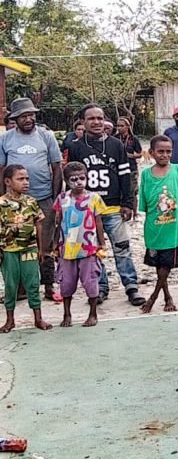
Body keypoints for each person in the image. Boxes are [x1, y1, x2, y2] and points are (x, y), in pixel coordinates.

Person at [68, 104, 142, 306]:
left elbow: (125, 175)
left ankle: (131, 286)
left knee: (122, 247)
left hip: (112, 208)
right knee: (94, 251)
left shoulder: (116, 144)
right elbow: (72, 177)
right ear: (83, 122)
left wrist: (127, 203)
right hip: (88, 210)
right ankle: (100, 287)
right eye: (91, 118)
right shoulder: (76, 147)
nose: (97, 122)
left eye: (100, 118)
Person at [0, 97, 63, 302]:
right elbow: (1, 170)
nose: (28, 119)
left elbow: (56, 167)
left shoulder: (46, 136)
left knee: (45, 245)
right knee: (16, 243)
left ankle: (47, 286)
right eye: (23, 116)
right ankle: (20, 289)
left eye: (31, 115)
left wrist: (55, 199)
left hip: (43, 197)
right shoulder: (5, 138)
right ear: (15, 118)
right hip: (14, 202)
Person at [139, 135, 178, 314]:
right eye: (160, 151)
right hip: (154, 229)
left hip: (173, 228)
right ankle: (168, 296)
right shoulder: (146, 174)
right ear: (151, 152)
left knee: (166, 267)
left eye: (168, 151)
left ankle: (153, 297)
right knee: (159, 266)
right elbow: (145, 204)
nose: (165, 155)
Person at [53, 162, 107, 328]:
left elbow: (98, 222)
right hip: (67, 249)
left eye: (82, 178)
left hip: (88, 248)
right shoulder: (62, 199)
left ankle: (92, 313)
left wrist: (102, 243)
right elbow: (58, 221)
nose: (79, 182)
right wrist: (55, 244)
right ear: (66, 180)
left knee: (90, 281)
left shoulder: (94, 198)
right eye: (73, 179)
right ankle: (67, 313)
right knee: (66, 283)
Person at [0, 165, 52, 333]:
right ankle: (10, 320)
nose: (25, 182)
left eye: (27, 179)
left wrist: (41, 249)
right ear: (8, 181)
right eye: (20, 179)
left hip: (29, 248)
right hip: (8, 250)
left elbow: (39, 224)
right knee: (10, 284)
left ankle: (38, 318)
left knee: (33, 282)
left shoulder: (30, 201)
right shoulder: (1, 204)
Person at [116, 117, 142, 220]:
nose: (119, 128)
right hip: (118, 168)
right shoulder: (115, 138)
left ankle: (135, 213)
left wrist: (129, 156)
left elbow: (140, 154)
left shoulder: (133, 139)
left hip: (131, 168)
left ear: (127, 126)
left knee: (132, 191)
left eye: (122, 126)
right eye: (118, 126)